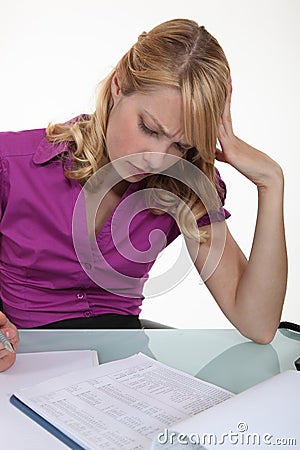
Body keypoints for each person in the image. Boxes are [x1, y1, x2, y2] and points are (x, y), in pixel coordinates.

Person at [0, 18, 287, 372]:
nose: (159, 159)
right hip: (21, 372)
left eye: (180, 145)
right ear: (119, 86)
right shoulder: (10, 165)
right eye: (149, 128)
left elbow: (257, 323)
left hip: (126, 379)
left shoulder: (182, 184)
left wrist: (271, 184)